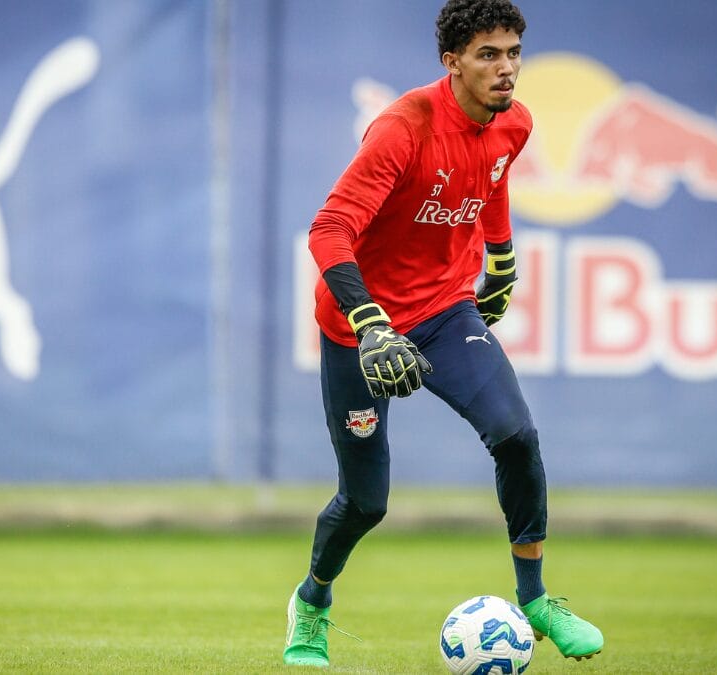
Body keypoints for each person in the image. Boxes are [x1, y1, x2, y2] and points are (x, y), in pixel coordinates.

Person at [283, 0, 604, 667]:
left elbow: (492, 179)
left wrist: (502, 259)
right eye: (488, 55)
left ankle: (536, 598)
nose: (506, 68)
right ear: (452, 61)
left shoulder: (515, 122)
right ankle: (312, 602)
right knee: (365, 503)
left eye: (513, 53)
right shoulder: (405, 127)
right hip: (359, 327)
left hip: (445, 310)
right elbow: (329, 230)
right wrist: (369, 323)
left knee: (516, 435)